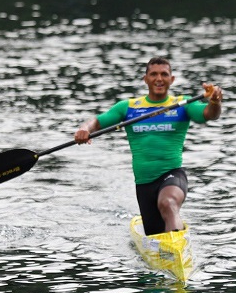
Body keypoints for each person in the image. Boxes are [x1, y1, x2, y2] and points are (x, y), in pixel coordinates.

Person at [74, 57, 223, 236]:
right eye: (153, 74)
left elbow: (208, 114)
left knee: (168, 203)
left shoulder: (183, 104)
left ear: (172, 79)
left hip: (172, 174)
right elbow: (97, 122)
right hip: (144, 184)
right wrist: (85, 128)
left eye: (164, 74)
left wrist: (214, 102)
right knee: (154, 231)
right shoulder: (128, 107)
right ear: (146, 79)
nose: (159, 78)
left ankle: (176, 248)